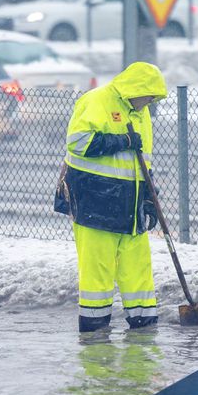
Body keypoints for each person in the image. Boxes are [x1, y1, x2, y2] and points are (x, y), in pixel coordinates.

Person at [54, 61, 167, 332]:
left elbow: (144, 161)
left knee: (137, 267)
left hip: (129, 204)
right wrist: (122, 141)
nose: (150, 102)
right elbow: (78, 142)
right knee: (98, 269)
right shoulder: (96, 100)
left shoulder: (142, 113)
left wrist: (150, 196)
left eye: (154, 98)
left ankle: (143, 323)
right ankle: (95, 327)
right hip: (95, 201)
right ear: (135, 89)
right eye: (148, 95)